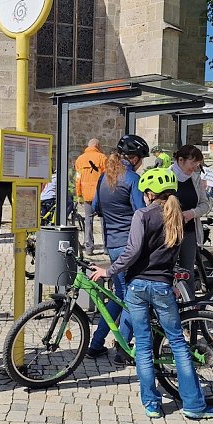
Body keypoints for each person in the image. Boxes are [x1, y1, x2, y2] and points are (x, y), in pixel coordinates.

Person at [89, 168, 213, 420]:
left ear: (149, 193)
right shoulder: (178, 217)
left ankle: (151, 404)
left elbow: (132, 252)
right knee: (179, 344)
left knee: (144, 347)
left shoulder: (142, 215)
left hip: (137, 287)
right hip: (162, 286)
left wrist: (109, 271)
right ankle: (194, 405)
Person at [87, 134, 149, 365]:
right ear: (133, 158)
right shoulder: (132, 179)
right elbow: (141, 212)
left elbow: (95, 207)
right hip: (130, 245)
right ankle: (123, 349)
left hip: (111, 244)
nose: (141, 162)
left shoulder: (105, 177)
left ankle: (95, 343)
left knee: (119, 295)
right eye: (141, 158)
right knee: (132, 299)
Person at [170, 145, 210, 274]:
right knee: (168, 270)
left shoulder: (195, 178)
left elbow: (205, 204)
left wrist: (192, 213)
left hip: (189, 231)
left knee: (188, 272)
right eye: (193, 163)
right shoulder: (167, 176)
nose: (195, 167)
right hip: (170, 232)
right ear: (180, 160)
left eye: (197, 164)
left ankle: (189, 295)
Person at [75, 138, 107, 255]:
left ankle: (89, 248)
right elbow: (107, 177)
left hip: (87, 194)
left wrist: (79, 194)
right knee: (104, 221)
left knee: (88, 221)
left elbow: (78, 179)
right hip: (101, 195)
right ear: (97, 146)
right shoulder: (103, 158)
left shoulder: (80, 159)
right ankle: (106, 248)